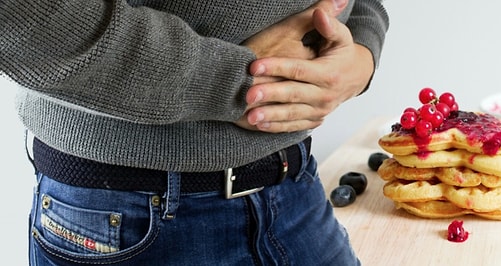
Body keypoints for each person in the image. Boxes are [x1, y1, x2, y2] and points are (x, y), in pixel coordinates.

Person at [0, 0, 389, 265]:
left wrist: (361, 53)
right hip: (130, 213)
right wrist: (233, 81)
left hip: (295, 188)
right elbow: (22, 18)